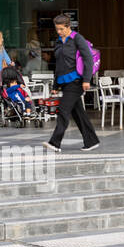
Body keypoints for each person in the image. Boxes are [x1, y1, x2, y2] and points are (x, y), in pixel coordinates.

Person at [44, 15, 100, 152]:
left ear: (68, 27)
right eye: (57, 29)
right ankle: (92, 141)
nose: (59, 32)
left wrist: (87, 80)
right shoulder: (58, 42)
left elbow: (88, 60)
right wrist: (55, 86)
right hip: (64, 82)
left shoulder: (77, 39)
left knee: (63, 110)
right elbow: (58, 65)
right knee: (78, 113)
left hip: (76, 81)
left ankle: (55, 143)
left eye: (61, 29)